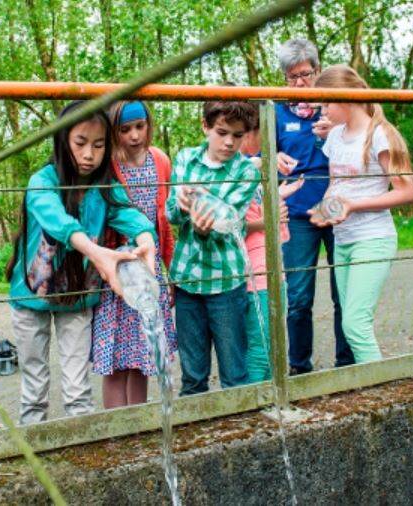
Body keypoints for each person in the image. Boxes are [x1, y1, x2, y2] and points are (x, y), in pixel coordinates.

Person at [5, 101, 157, 424]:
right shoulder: (42, 182)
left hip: (77, 301)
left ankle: (87, 460)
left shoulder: (104, 188)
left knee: (78, 389)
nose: (89, 154)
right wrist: (95, 251)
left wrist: (146, 239)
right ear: (63, 141)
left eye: (99, 145)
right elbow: (58, 221)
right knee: (34, 388)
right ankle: (36, 448)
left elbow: (129, 214)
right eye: (80, 143)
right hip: (31, 299)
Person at [311, 64, 413, 362]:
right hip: (343, 239)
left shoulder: (381, 134)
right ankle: (368, 386)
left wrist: (352, 206)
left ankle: (384, 395)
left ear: (346, 98)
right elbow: (338, 187)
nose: (324, 111)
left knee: (355, 325)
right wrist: (324, 211)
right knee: (352, 321)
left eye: (327, 103)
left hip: (372, 238)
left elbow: (407, 191)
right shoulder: (335, 137)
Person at [165, 100, 259, 395]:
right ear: (206, 127)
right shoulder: (185, 159)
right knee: (192, 375)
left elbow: (230, 221)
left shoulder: (245, 171)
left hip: (225, 281)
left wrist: (204, 216)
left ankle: (243, 435)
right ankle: (194, 435)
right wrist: (182, 208)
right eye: (222, 132)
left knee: (234, 372)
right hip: (187, 279)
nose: (230, 142)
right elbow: (171, 212)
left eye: (238, 135)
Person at [275, 38, 354, 374]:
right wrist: (270, 157)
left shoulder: (336, 106)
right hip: (297, 213)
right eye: (292, 77)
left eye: (306, 74)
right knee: (299, 297)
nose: (300, 83)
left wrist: (334, 131)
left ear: (318, 71)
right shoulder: (276, 111)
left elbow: (361, 142)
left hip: (337, 206)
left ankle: (346, 363)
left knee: (345, 292)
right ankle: (299, 367)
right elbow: (253, 155)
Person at [91, 101, 176, 408]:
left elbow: (164, 222)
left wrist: (168, 271)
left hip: (150, 265)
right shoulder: (109, 163)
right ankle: (117, 426)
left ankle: (138, 423)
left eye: (140, 126)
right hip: (118, 269)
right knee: (116, 360)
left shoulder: (160, 161)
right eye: (125, 129)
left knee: (143, 355)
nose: (135, 135)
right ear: (115, 132)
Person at [234, 102, 304, 382]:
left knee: (274, 347)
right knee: (261, 350)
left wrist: (278, 195)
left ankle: (270, 402)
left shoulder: (253, 169)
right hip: (255, 272)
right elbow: (239, 219)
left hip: (272, 266)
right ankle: (254, 407)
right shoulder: (242, 168)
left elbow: (258, 208)